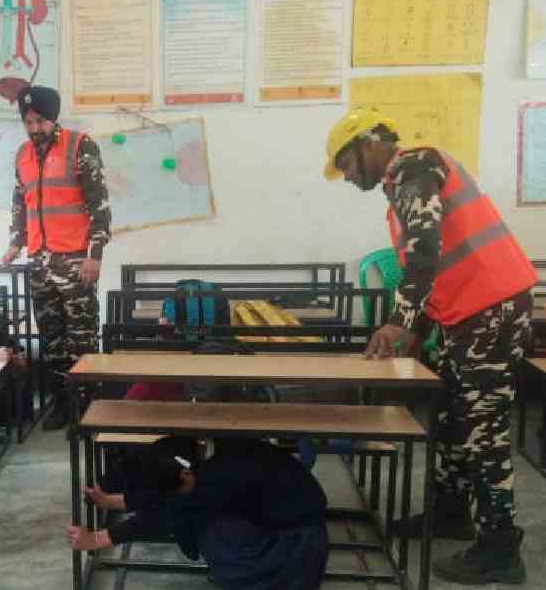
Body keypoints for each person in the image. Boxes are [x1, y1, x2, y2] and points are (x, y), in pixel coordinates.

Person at [324, 107, 536, 584]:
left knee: (483, 431)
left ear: (368, 143)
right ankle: (452, 512)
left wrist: (400, 321)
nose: (348, 176)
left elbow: (425, 249)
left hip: (491, 312)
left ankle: (501, 547)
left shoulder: (414, 166)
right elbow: (429, 266)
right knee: (451, 416)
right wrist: (418, 330)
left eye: (347, 164)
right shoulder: (402, 186)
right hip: (469, 316)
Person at [67, 437, 328, 590]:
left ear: (186, 473)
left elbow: (165, 513)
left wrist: (99, 539)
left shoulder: (214, 480)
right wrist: (113, 501)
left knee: (201, 522)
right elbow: (170, 494)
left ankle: (254, 577)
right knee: (191, 507)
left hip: (296, 551)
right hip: (290, 522)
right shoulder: (206, 463)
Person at [1, 85, 111, 431]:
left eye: (41, 121)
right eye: (28, 121)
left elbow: (99, 206)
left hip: (76, 261)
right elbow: (21, 203)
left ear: (54, 118)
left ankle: (87, 410)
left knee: (81, 338)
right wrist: (15, 242)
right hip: (40, 263)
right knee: (52, 339)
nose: (34, 128)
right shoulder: (22, 155)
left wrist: (95, 255)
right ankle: (62, 405)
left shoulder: (81, 146)